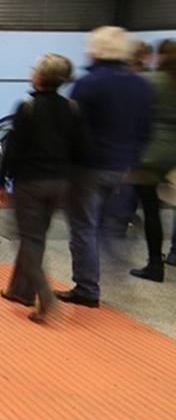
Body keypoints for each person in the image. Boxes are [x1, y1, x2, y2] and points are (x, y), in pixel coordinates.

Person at [58, 26, 154, 308]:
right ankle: (117, 270)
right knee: (111, 225)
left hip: (88, 168)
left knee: (83, 226)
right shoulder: (139, 84)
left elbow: (73, 128)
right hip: (122, 167)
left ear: (97, 50)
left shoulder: (89, 84)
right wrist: (132, 161)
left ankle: (87, 287)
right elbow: (145, 128)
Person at [0, 54, 89, 323]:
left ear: (39, 76)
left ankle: (45, 299)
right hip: (60, 183)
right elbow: (82, 149)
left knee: (28, 238)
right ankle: (19, 290)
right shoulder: (72, 108)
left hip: (30, 183)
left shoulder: (27, 108)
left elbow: (13, 150)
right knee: (36, 237)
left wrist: (2, 182)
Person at [128, 38, 176, 282]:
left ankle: (155, 264)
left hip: (149, 154)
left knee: (151, 209)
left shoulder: (149, 82)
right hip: (173, 155)